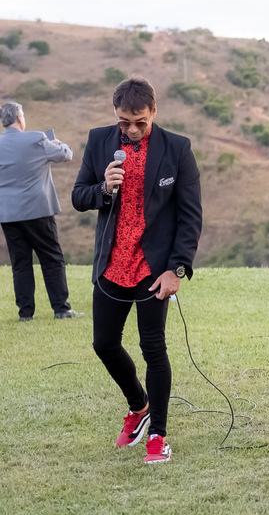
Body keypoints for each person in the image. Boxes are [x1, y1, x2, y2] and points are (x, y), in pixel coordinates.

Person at [72, 77, 203, 465]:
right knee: (104, 344)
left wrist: (176, 269)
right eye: (124, 122)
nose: (131, 130)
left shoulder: (177, 149)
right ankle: (138, 406)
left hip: (153, 268)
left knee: (153, 348)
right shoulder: (99, 141)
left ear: (154, 112)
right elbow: (79, 196)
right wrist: (103, 189)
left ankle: (158, 435)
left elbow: (190, 216)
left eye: (140, 122)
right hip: (112, 265)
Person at [0, 101, 79, 321]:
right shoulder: (36, 139)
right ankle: (61, 308)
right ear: (20, 118)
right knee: (51, 257)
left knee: (20, 263)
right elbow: (66, 155)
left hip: (8, 214)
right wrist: (58, 143)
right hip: (38, 211)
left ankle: (25, 313)